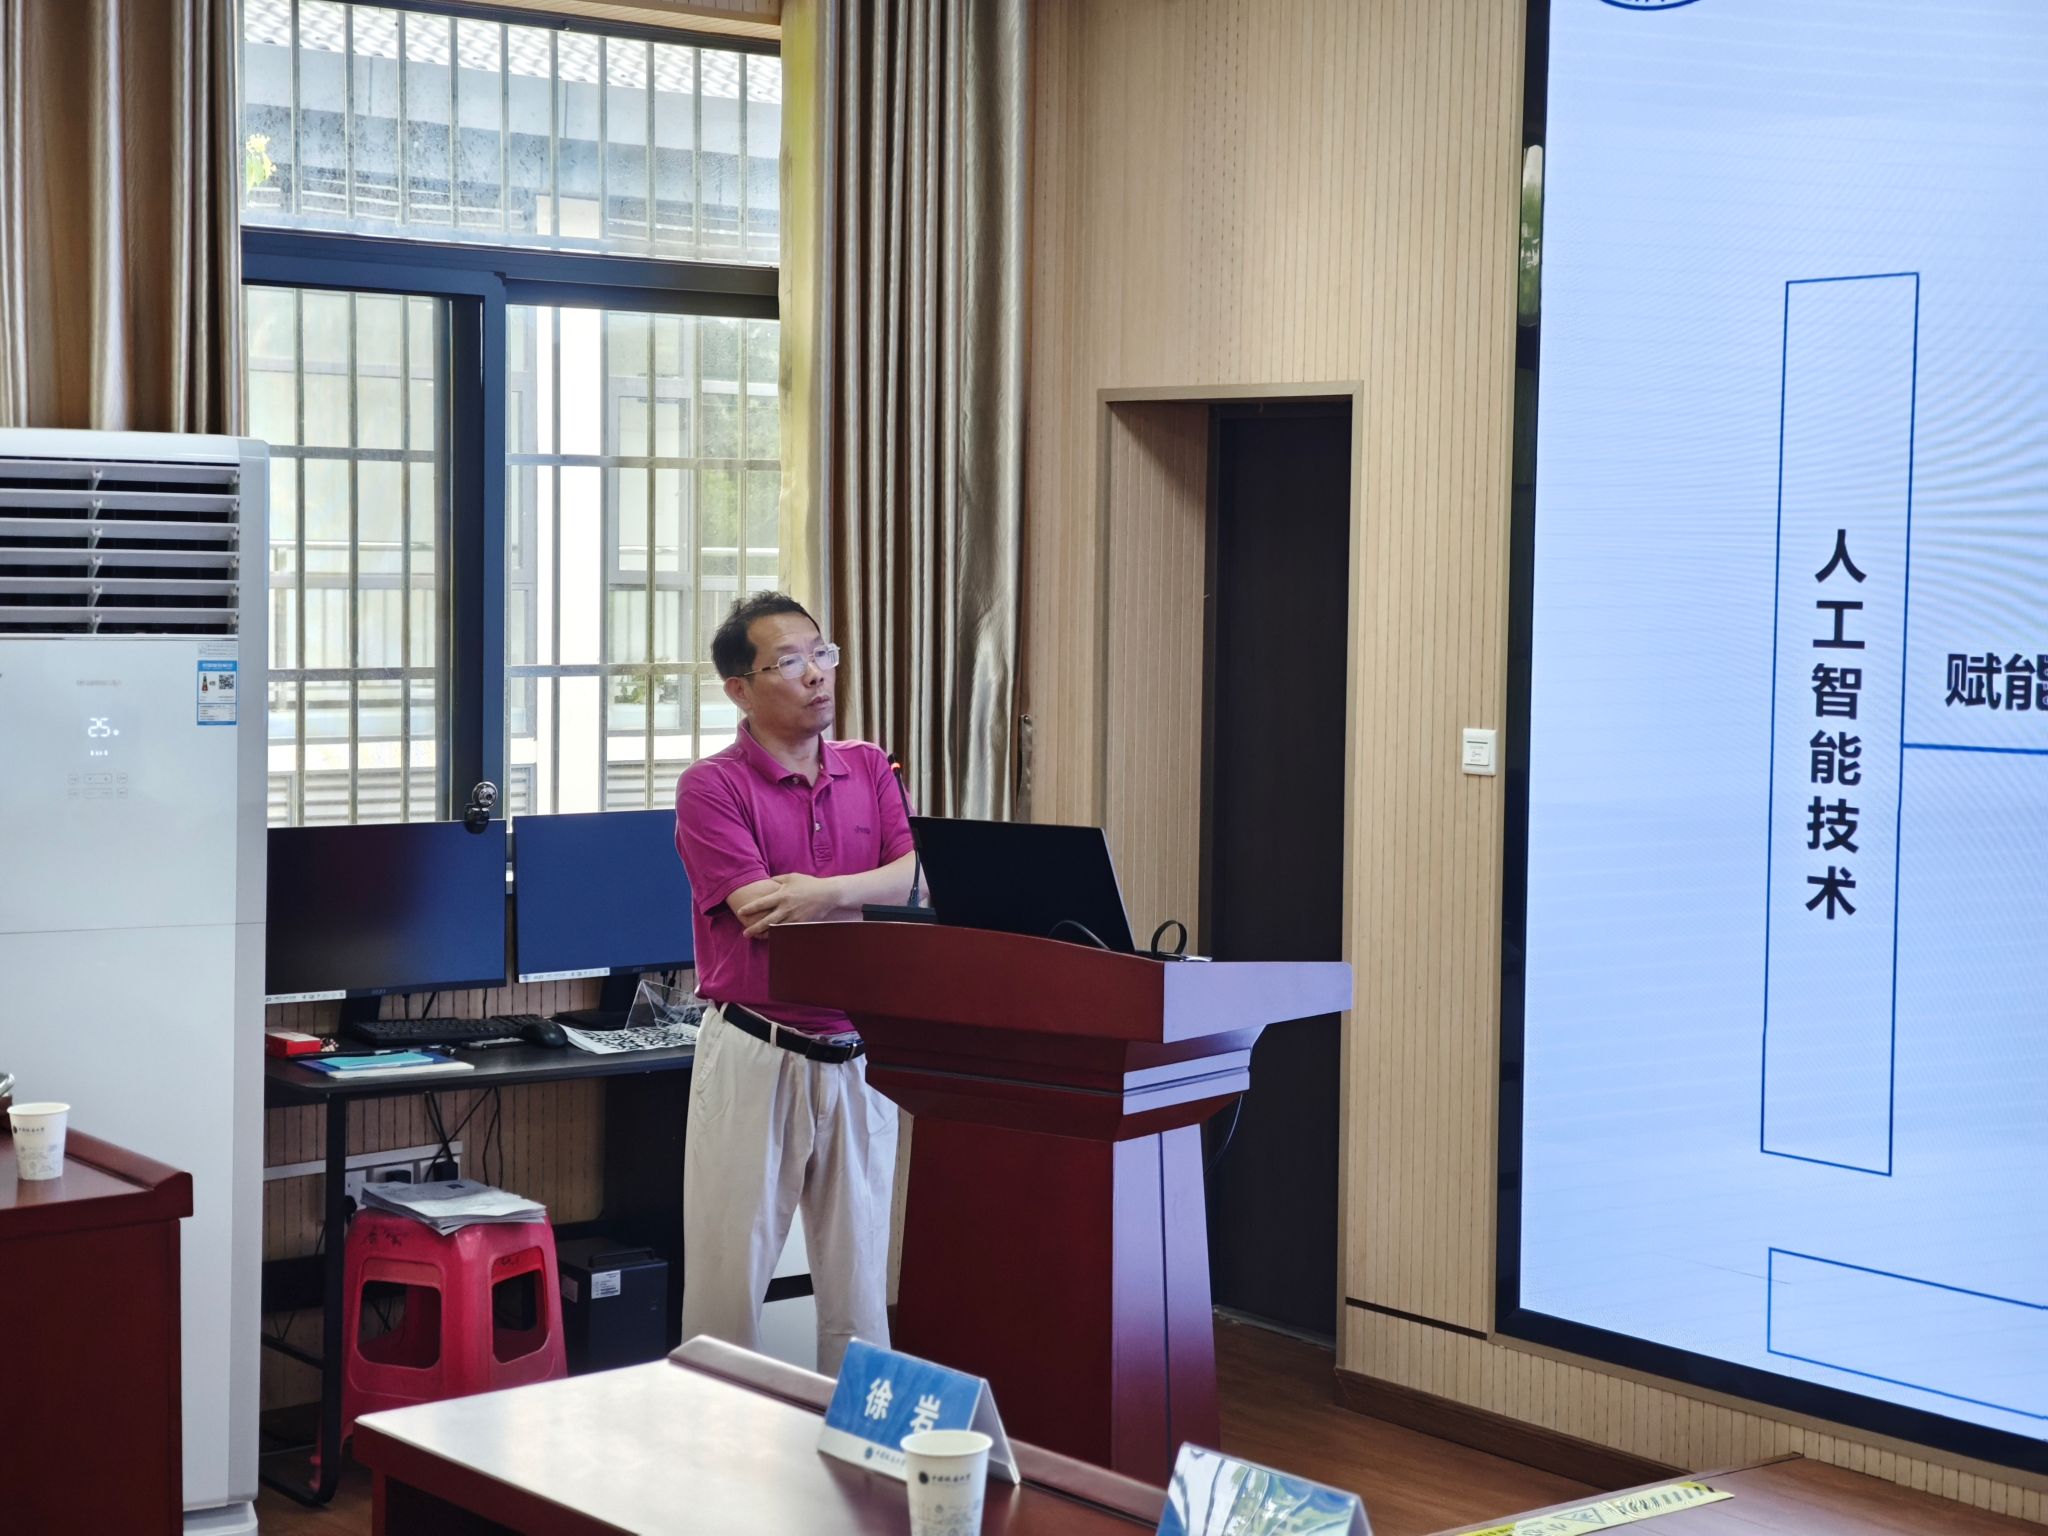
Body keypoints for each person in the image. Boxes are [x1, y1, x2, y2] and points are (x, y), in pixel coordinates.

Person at [672, 591, 921, 1377]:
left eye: (822, 654)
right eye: (789, 661)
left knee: (861, 1291)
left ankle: (853, 1450)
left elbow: (920, 881)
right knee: (729, 1288)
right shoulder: (711, 787)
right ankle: (712, 1451)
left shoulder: (870, 766)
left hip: (862, 1053)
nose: (816, 674)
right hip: (758, 1049)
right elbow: (760, 912)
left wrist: (823, 891)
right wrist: (867, 890)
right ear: (739, 689)